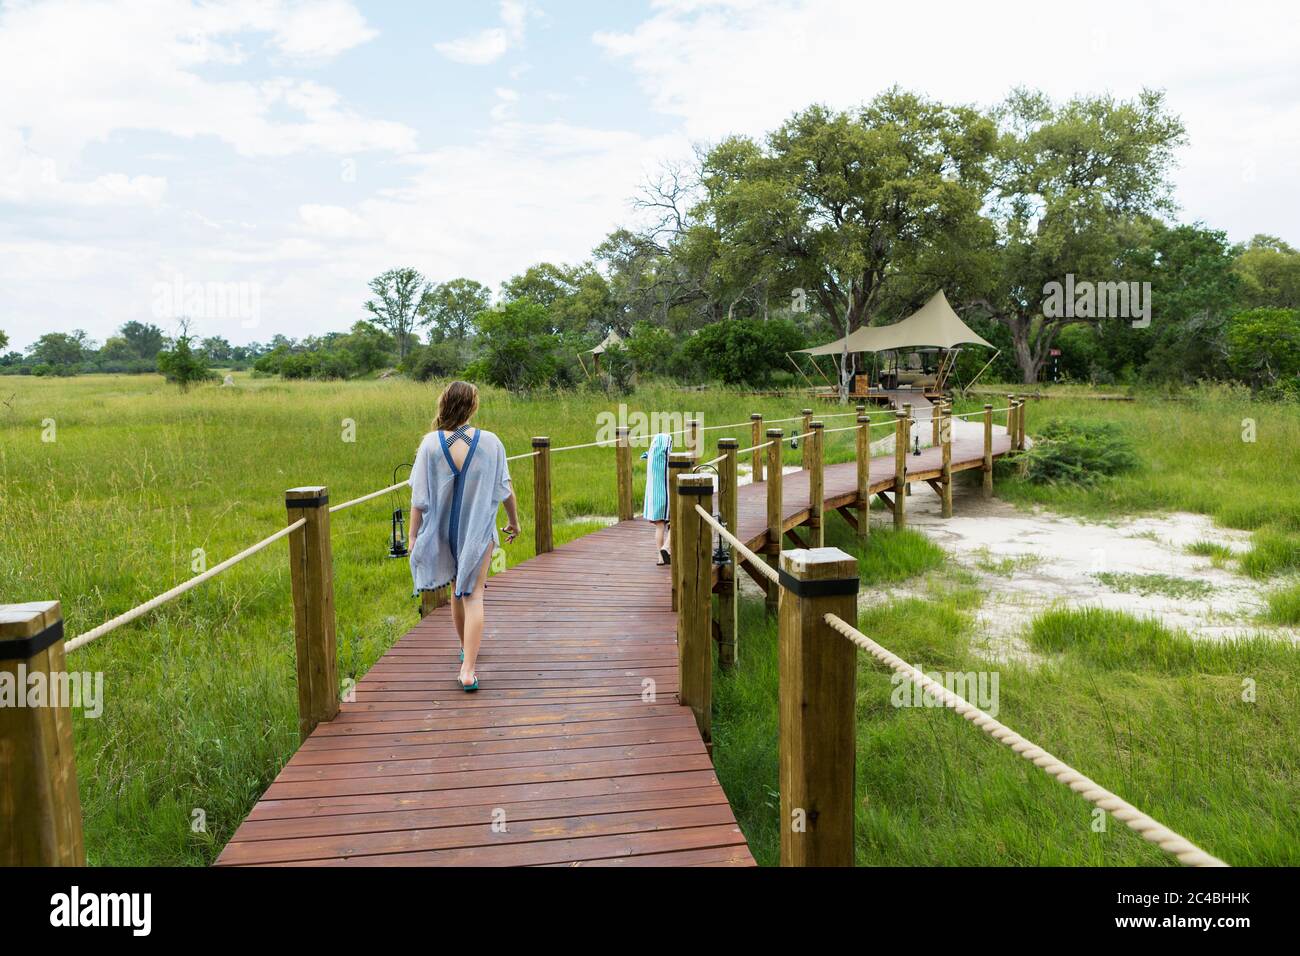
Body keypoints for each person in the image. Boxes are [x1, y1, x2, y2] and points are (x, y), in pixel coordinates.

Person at [409, 381, 520, 691]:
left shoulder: (430, 444)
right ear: (473, 406)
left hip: (442, 533)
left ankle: (464, 650)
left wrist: (413, 537)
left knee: (458, 590)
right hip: (478, 533)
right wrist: (514, 522)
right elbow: (504, 488)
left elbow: (419, 497)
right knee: (474, 595)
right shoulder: (491, 442)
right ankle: (468, 669)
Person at [641, 432, 672, 565]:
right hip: (666, 497)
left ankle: (660, 557)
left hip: (654, 498)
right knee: (675, 524)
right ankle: (666, 547)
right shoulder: (667, 459)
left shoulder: (651, 457)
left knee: (660, 526)